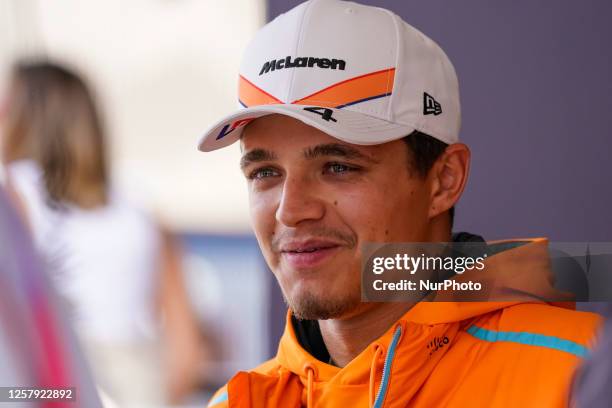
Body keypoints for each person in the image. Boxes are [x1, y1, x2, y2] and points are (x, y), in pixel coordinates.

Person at [197, 1, 601, 407]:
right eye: (265, 173)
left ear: (445, 180)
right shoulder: (236, 402)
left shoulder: (579, 378)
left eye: (338, 166)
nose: (290, 210)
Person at [0, 61, 204, 406]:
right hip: (139, 382)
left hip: (57, 379)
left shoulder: (12, 196)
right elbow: (185, 358)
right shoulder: (142, 208)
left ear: (20, 115)